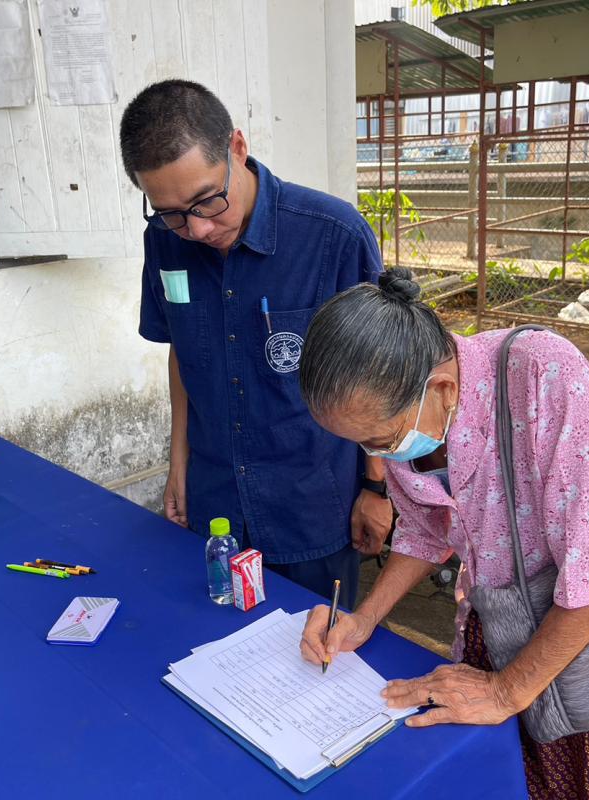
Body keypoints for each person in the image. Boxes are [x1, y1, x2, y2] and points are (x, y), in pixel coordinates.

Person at [297, 268, 589, 799]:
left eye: (381, 440)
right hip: (510, 627)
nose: (378, 455)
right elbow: (426, 532)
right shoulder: (414, 416)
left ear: (443, 389)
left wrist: (505, 691)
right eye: (363, 443)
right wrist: (363, 618)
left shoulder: (542, 374)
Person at [119, 80, 392, 607]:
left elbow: (380, 376)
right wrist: (178, 464)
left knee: (316, 642)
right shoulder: (165, 242)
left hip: (311, 504)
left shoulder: (333, 235)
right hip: (215, 501)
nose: (197, 229)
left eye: (207, 200)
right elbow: (182, 350)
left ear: (237, 148)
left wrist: (377, 487)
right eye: (172, 212)